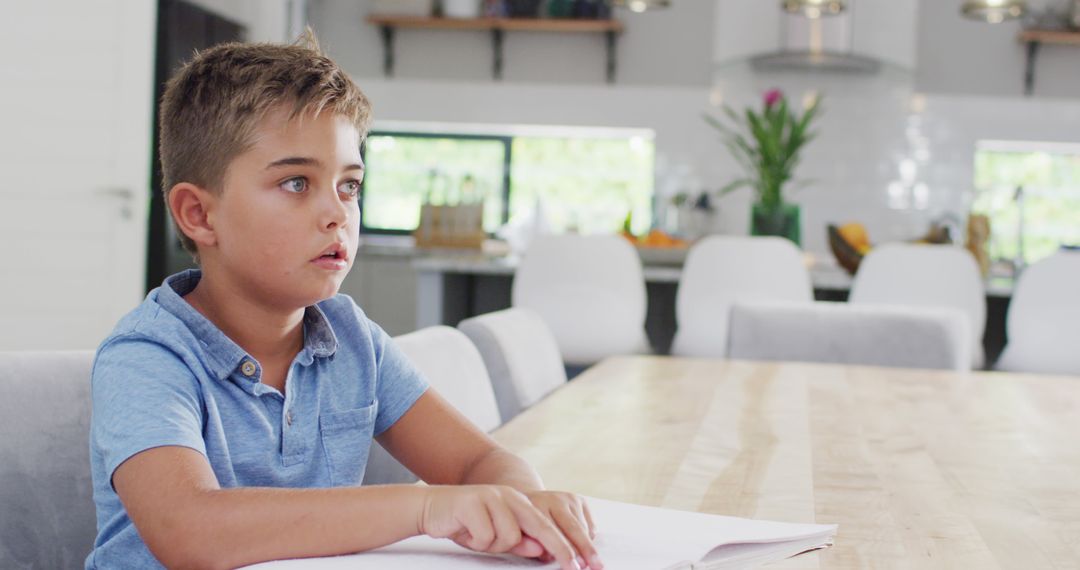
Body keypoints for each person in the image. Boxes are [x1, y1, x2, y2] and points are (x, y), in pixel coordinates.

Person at [86, 32, 601, 570]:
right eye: (295, 183)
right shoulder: (146, 356)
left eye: (349, 186)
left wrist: (521, 503)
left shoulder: (351, 337)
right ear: (198, 214)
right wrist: (425, 506)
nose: (337, 214)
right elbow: (189, 530)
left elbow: (480, 460)